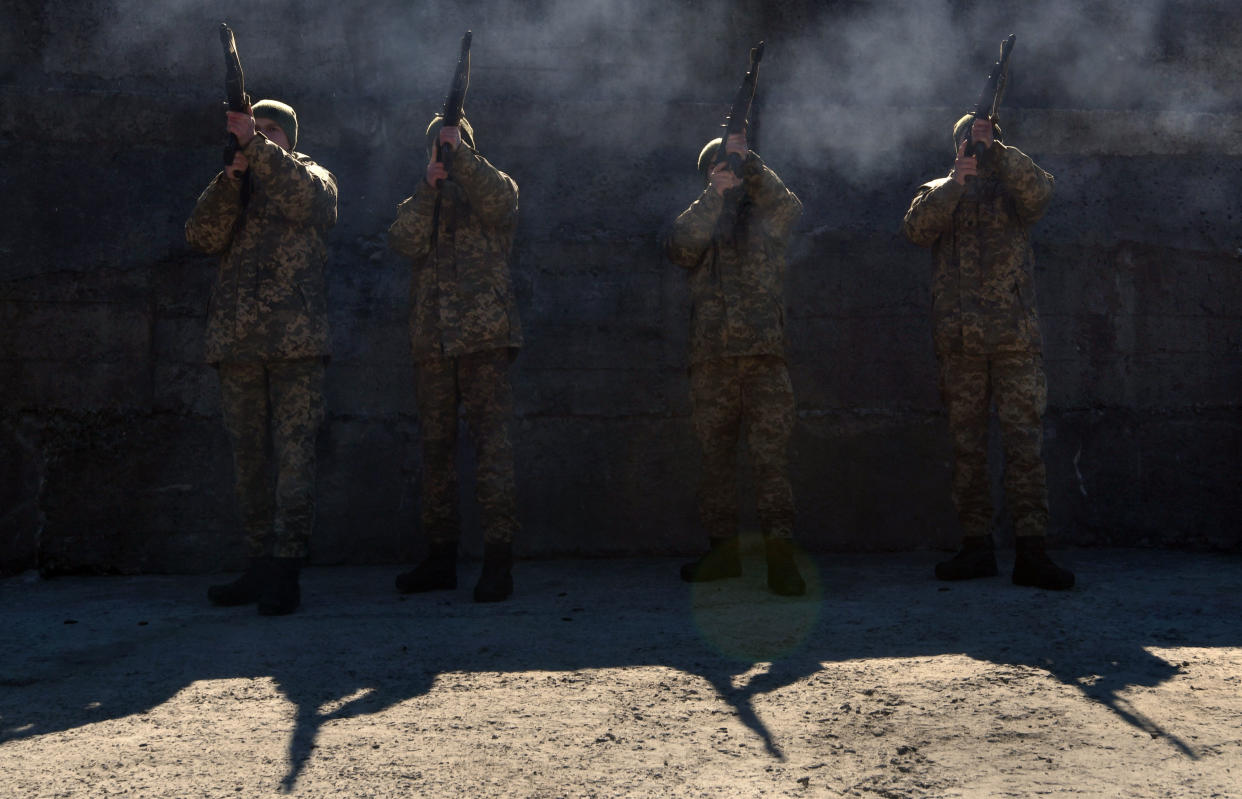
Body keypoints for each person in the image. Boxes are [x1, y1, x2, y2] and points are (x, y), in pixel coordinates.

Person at [902, 114, 1074, 590]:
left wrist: (999, 151)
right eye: (969, 141)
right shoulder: (937, 189)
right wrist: (954, 184)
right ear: (954, 148)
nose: (976, 148)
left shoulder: (1013, 187)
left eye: (984, 141)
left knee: (1024, 447)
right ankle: (976, 546)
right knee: (968, 449)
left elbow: (1040, 193)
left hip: (1014, 341)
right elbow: (916, 230)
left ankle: (1032, 551)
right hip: (960, 344)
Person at [186, 99, 338, 614]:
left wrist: (256, 146)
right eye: (258, 129)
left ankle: (286, 569)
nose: (263, 137)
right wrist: (231, 180)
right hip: (237, 346)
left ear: (290, 139)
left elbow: (308, 201)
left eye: (273, 131)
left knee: (295, 461)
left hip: (296, 347)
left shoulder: (314, 177)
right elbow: (201, 237)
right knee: (247, 463)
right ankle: (256, 564)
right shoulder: (236, 182)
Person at [387, 115, 522, 602]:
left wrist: (461, 157)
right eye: (440, 147)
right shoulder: (423, 199)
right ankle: (441, 557)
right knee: (436, 452)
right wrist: (429, 188)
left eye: (454, 146)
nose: (445, 154)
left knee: (493, 452)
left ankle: (498, 561)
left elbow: (502, 202)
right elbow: (403, 240)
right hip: (433, 343)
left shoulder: (493, 187)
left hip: (484, 339)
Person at [665, 132, 806, 596]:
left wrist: (753, 165)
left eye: (732, 169)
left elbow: (791, 209)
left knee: (771, 461)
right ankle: (722, 554)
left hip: (765, 357)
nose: (728, 175)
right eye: (718, 168)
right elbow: (680, 248)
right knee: (716, 462)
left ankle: (780, 558)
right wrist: (714, 196)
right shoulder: (701, 216)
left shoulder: (768, 216)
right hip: (712, 361)